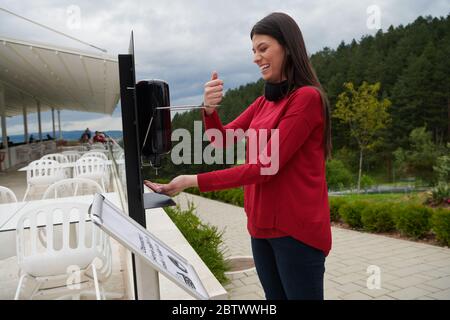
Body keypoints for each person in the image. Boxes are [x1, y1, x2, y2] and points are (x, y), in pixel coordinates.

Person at [145, 12, 332, 300]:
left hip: (296, 233)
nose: (256, 57)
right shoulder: (262, 104)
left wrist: (191, 180)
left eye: (263, 48)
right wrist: (208, 110)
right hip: (260, 229)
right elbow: (220, 140)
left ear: (288, 47)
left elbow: (264, 167)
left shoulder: (305, 98)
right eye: (253, 51)